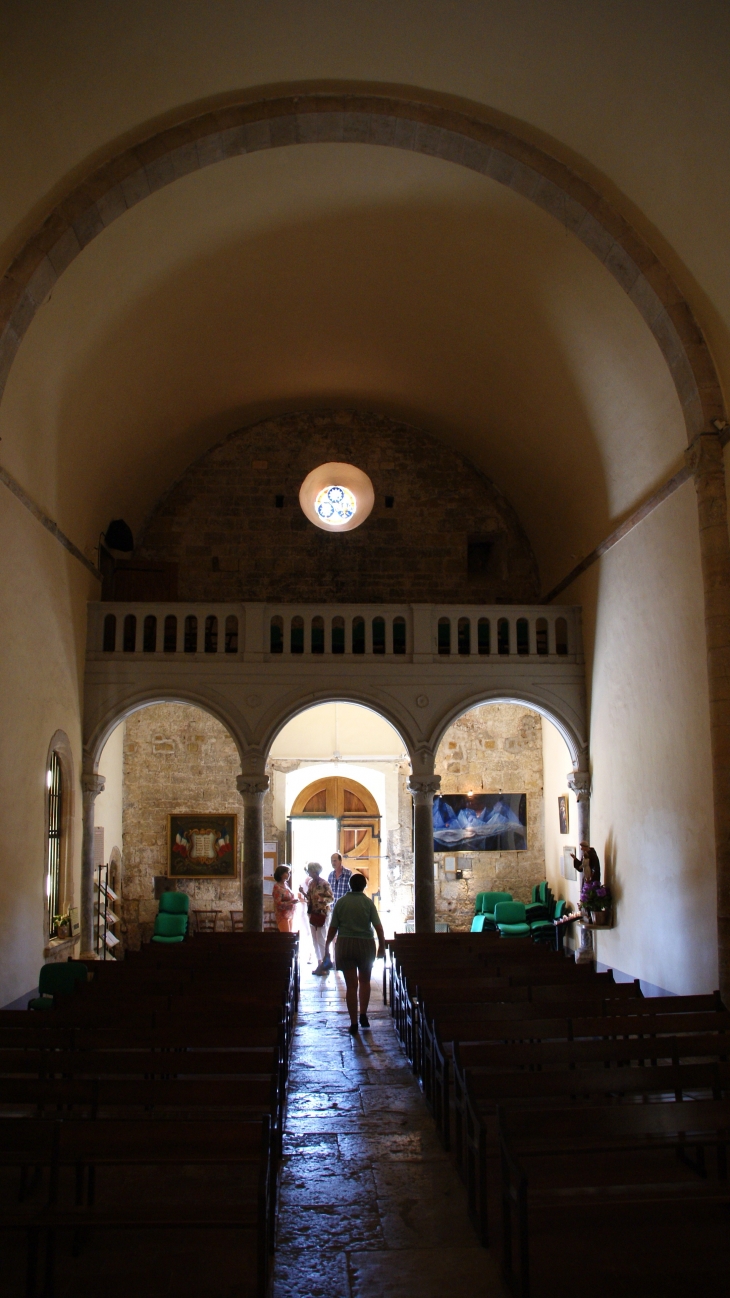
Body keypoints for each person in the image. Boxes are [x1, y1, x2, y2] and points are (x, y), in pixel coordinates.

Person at [325, 873, 385, 1036]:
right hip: (365, 945)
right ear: (364, 886)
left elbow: (333, 928)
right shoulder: (367, 903)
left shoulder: (341, 903)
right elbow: (378, 927)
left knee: (351, 986)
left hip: (345, 945)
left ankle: (353, 1023)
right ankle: (363, 1014)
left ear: (350, 885)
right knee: (364, 981)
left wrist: (327, 945)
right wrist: (382, 946)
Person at [299, 863, 333, 975]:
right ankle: (319, 963)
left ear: (315, 871)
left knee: (321, 938)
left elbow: (331, 899)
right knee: (314, 939)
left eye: (310, 871)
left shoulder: (324, 883)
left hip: (322, 913)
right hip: (313, 913)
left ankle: (325, 964)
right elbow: (309, 897)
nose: (308, 873)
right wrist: (303, 892)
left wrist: (321, 898)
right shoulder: (311, 883)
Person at [271, 865, 296, 933]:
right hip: (282, 915)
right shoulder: (277, 887)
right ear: (281, 874)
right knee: (286, 935)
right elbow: (278, 903)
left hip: (290, 914)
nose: (289, 875)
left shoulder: (286, 885)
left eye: (289, 873)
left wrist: (293, 901)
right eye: (287, 873)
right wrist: (290, 902)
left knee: (290, 934)